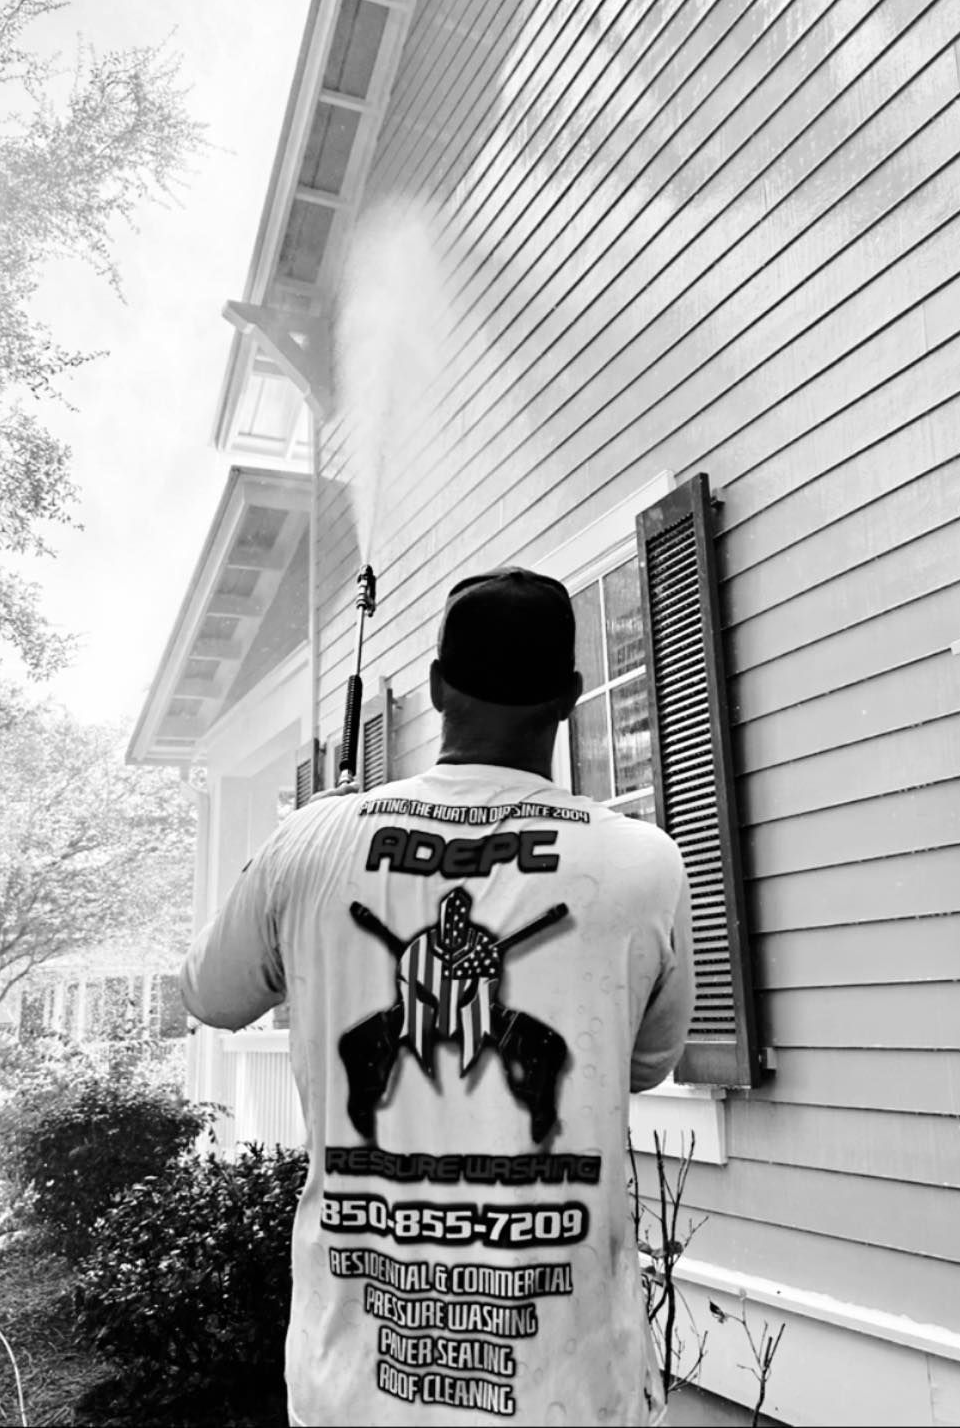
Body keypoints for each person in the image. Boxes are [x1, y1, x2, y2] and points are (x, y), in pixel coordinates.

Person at [181, 567, 695, 1427]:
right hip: (569, 1394)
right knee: (367, 1054)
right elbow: (646, 1064)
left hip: (351, 1392)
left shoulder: (311, 843)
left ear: (434, 687)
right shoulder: (644, 861)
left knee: (540, 1056)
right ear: (568, 698)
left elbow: (208, 991)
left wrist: (292, 846)